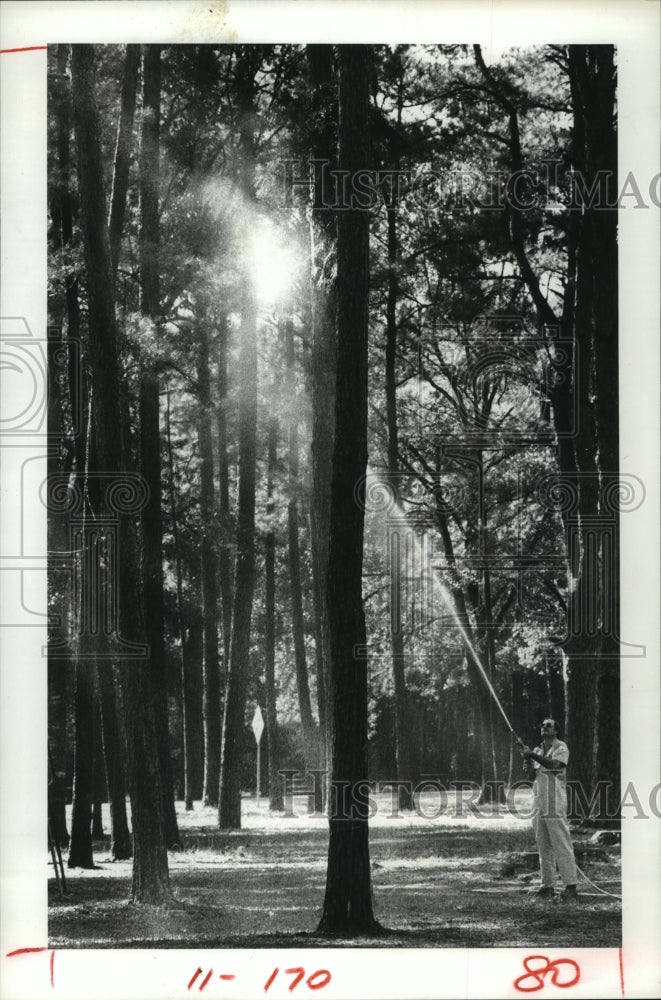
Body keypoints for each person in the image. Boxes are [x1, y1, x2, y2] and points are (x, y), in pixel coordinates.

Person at [520, 718, 579, 901]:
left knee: (560, 842)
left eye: (548, 725)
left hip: (555, 800)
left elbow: (555, 766)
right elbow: (532, 777)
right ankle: (547, 886)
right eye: (542, 725)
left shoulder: (561, 747)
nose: (543, 727)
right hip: (538, 800)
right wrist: (528, 765)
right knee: (542, 843)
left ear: (556, 730)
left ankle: (571, 887)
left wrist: (532, 756)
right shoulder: (537, 750)